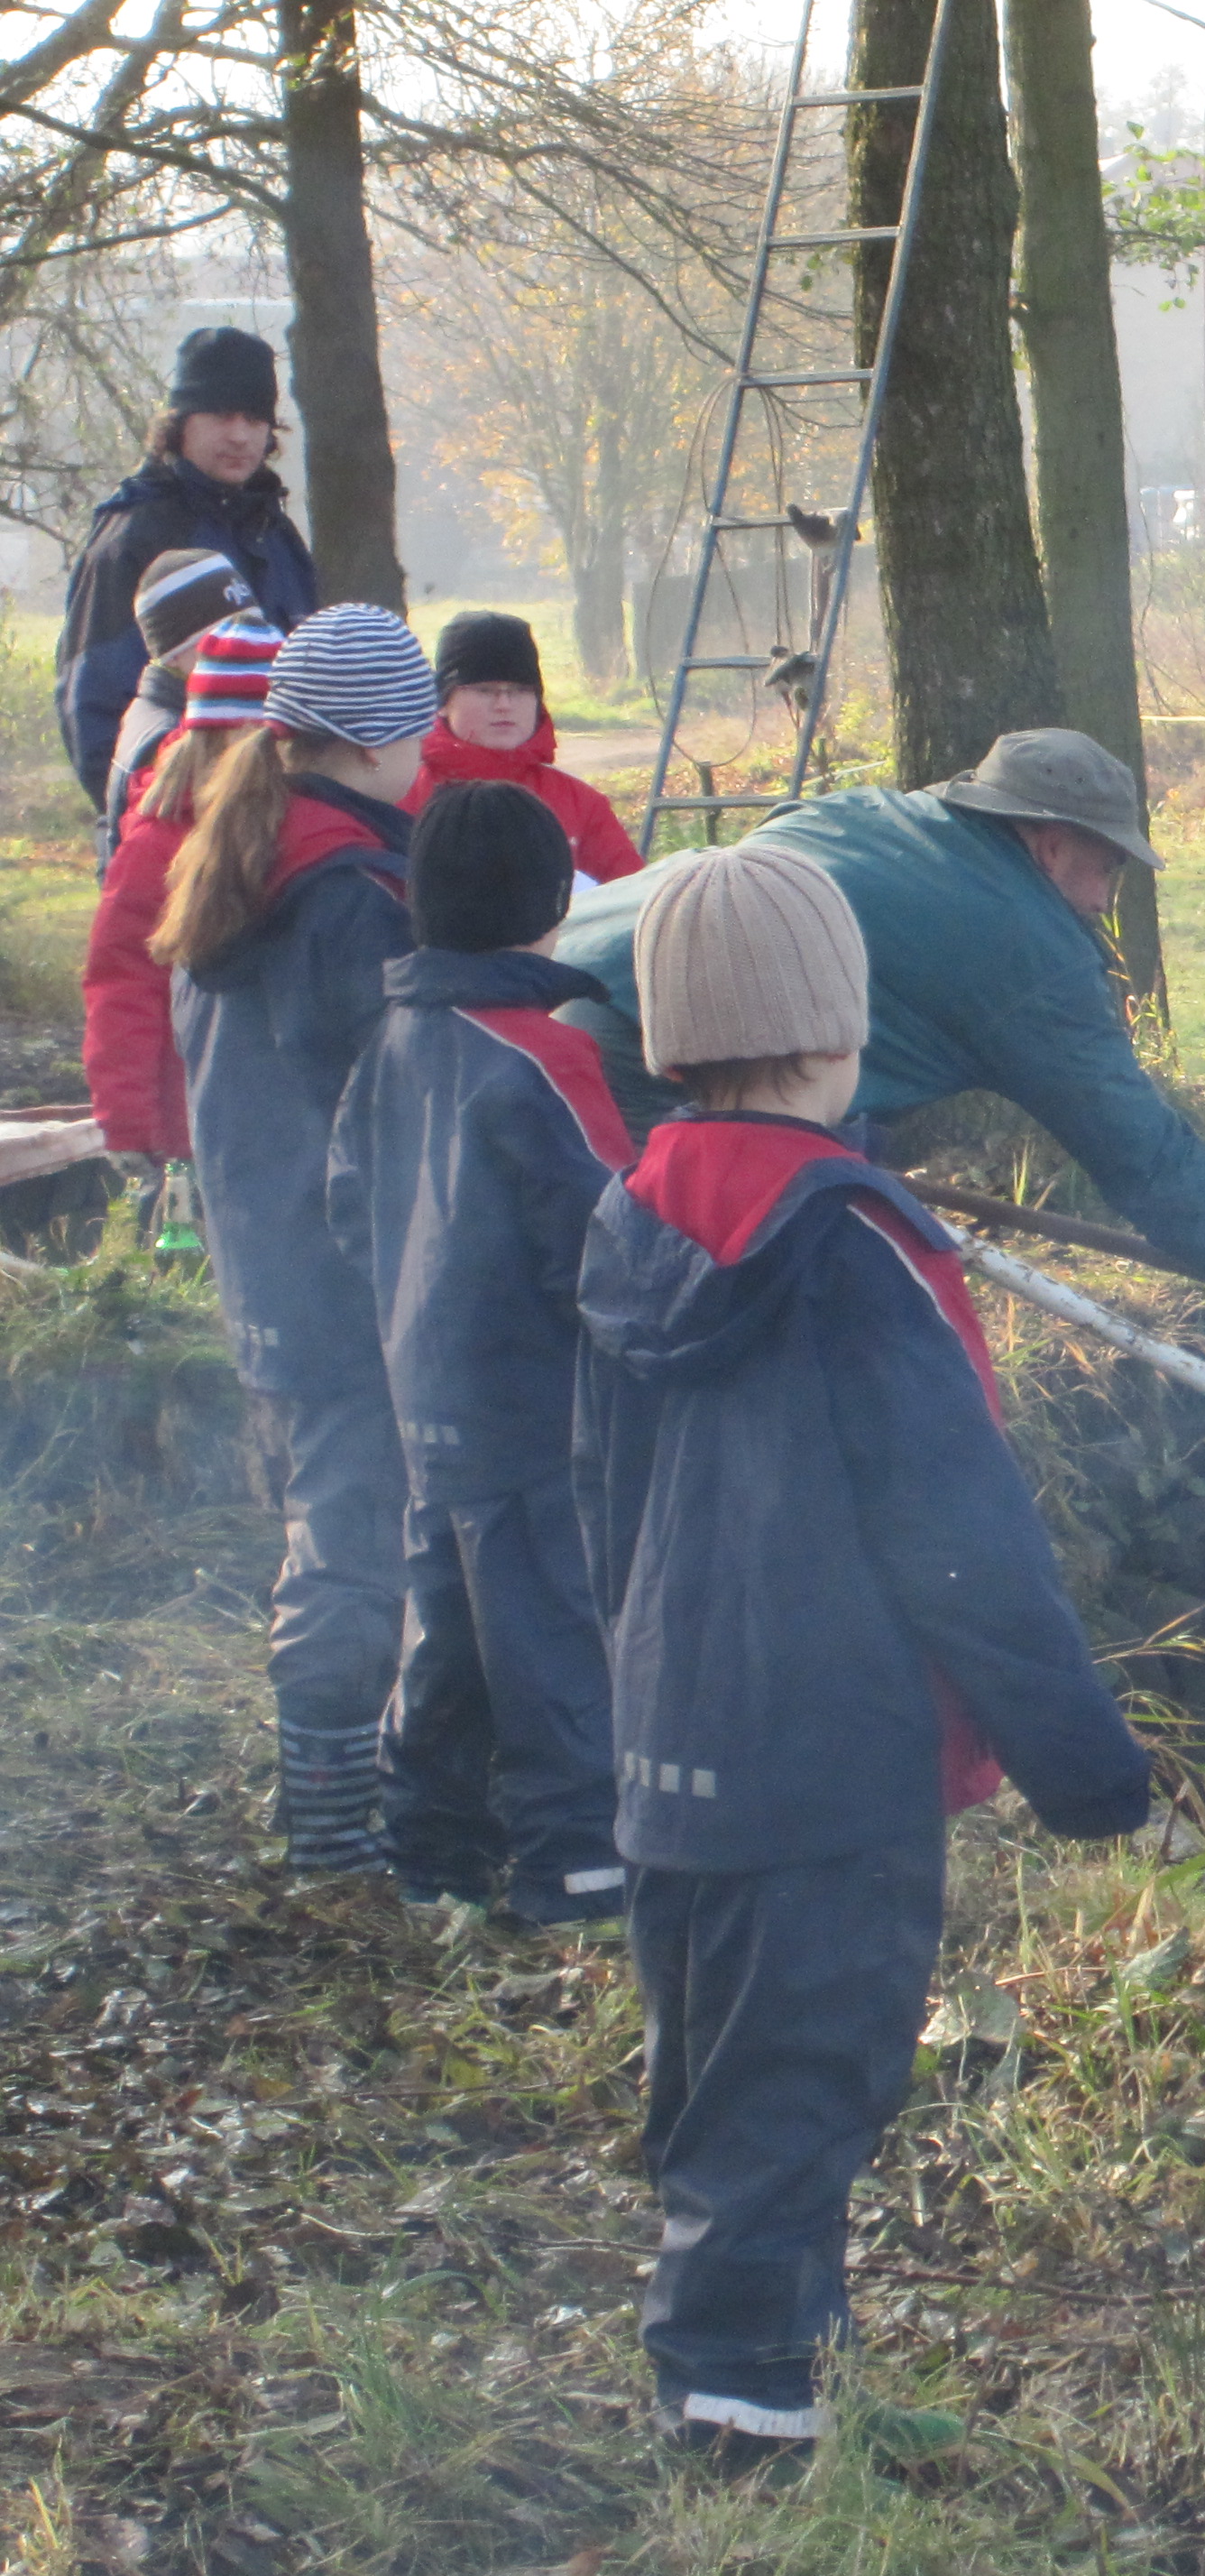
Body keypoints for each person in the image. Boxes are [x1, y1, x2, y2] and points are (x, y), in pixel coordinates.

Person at [573, 845, 1152, 2462]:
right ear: (842, 1032)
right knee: (808, 2083)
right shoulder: (864, 1249)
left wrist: (621, 1690)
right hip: (829, 1752)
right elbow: (963, 1539)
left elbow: (597, 1497)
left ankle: (756, 2360)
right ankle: (745, 2423)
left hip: (672, 1731)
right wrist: (1089, 1770)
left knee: (718, 2077)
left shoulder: (628, 1220)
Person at [558, 728, 1205, 1347]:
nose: (1101, 900)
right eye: (1105, 870)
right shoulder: (1027, 947)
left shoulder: (874, 814)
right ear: (1050, 846)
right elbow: (1131, 1137)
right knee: (660, 1304)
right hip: (634, 1043)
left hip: (559, 967)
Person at [152, 604, 437, 1873]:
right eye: (420, 723)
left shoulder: (247, 852)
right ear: (384, 735)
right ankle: (331, 1814)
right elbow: (374, 1100)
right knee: (355, 1530)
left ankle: (350, 1775)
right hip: (343, 1274)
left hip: (268, 1254)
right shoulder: (347, 896)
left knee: (339, 1515)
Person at [327, 782, 634, 1925]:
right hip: (535, 1403)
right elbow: (605, 1238)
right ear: (555, 905)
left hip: (427, 1387)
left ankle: (430, 1849)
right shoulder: (545, 1056)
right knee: (554, 1636)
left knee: (447, 1629)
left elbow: (346, 1207)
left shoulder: (394, 1036)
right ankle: (577, 1869)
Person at [58, 328, 316, 820]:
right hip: (170, 826)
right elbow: (92, 705)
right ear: (179, 424)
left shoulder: (278, 536)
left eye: (255, 418)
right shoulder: (133, 537)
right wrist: (152, 823)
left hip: (279, 822)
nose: (240, 435)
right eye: (221, 416)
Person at [84, 617, 279, 1161]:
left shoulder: (292, 822)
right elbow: (123, 980)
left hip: (267, 1111)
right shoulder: (161, 839)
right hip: (185, 1120)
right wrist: (129, 1121)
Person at [407, 611, 647, 888]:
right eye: (485, 690)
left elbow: (632, 901)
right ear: (443, 702)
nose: (504, 704)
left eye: (520, 690)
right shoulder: (404, 795)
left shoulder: (581, 803)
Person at [99, 549, 257, 862]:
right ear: (173, 654)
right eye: (222, 639)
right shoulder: (166, 739)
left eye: (255, 627)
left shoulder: (161, 713)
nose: (248, 646)